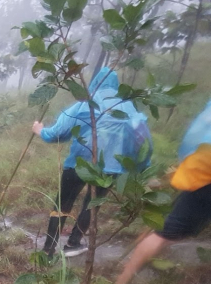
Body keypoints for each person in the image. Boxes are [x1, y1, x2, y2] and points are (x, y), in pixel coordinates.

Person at [32, 67, 152, 258]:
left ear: (95, 83)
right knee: (92, 204)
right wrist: (141, 166)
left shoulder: (84, 104)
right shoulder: (127, 107)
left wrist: (40, 131)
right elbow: (142, 140)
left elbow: (57, 133)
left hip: (78, 164)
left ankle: (48, 249)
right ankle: (73, 244)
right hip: (110, 168)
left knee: (63, 203)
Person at [116, 101, 211, 284]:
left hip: (198, 172)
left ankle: (125, 273)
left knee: (167, 227)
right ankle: (121, 282)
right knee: (166, 231)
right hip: (205, 181)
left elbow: (196, 136)